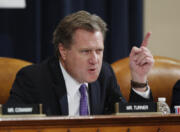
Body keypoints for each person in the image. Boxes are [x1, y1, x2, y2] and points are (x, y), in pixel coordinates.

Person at [5, 10, 154, 116]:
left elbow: (131, 123)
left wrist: (139, 80)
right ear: (63, 51)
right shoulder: (33, 79)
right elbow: (13, 126)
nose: (94, 60)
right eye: (86, 51)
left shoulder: (105, 75)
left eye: (99, 51)